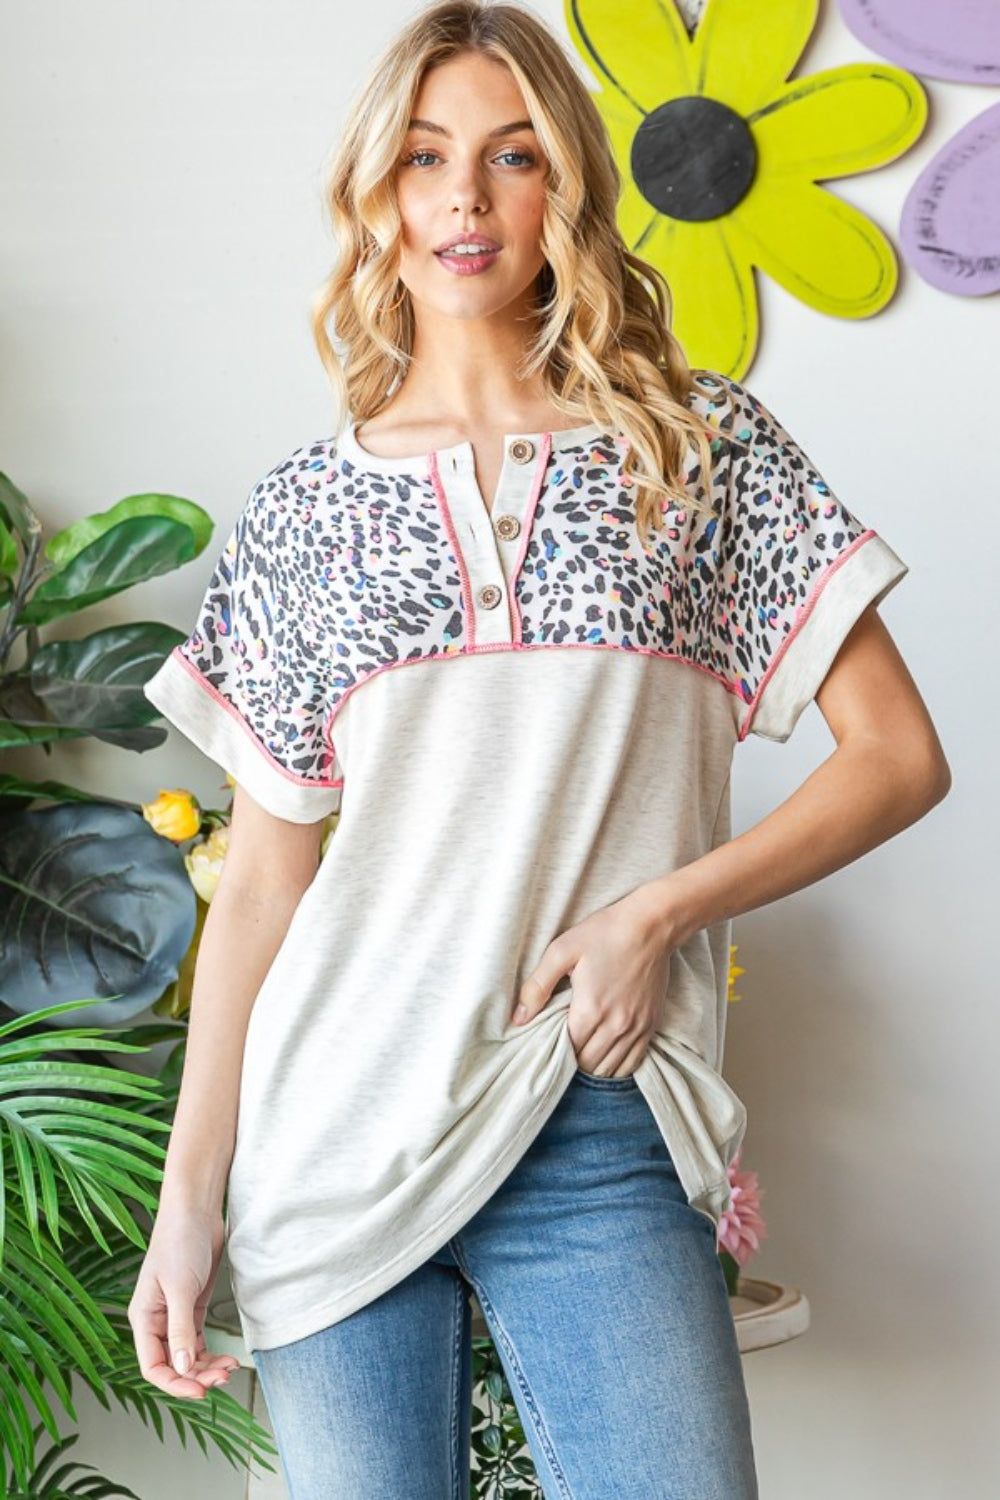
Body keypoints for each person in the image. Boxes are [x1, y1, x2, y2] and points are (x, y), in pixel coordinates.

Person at [128, 2, 951, 1495]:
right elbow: (259, 889)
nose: (464, 195)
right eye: (426, 156)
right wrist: (191, 1209)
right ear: (379, 194)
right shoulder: (308, 508)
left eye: (512, 156)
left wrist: (657, 912)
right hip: (330, 1135)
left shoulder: (695, 453)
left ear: (563, 187)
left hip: (591, 1111)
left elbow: (897, 755)